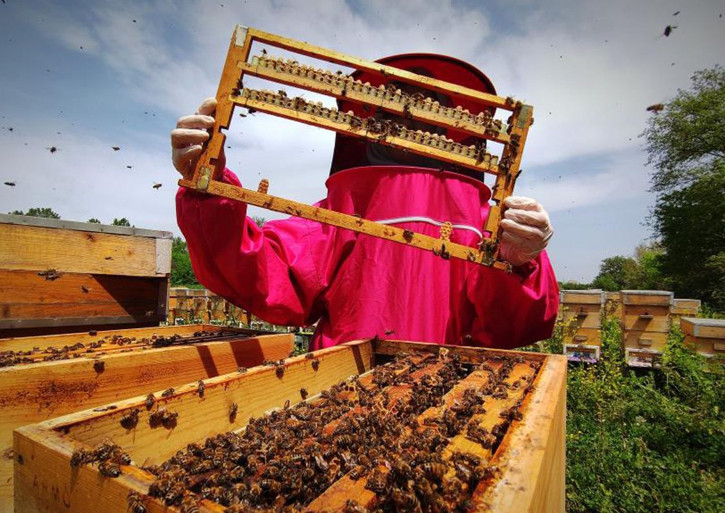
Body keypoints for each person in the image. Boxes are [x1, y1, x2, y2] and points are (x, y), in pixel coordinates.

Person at [172, 53, 559, 351]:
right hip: (340, 390)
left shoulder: (484, 221)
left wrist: (519, 264)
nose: (410, 119)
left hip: (450, 393)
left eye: (426, 109)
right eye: (397, 106)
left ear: (450, 125)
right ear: (374, 118)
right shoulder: (342, 206)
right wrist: (208, 188)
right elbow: (264, 272)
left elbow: (514, 327)